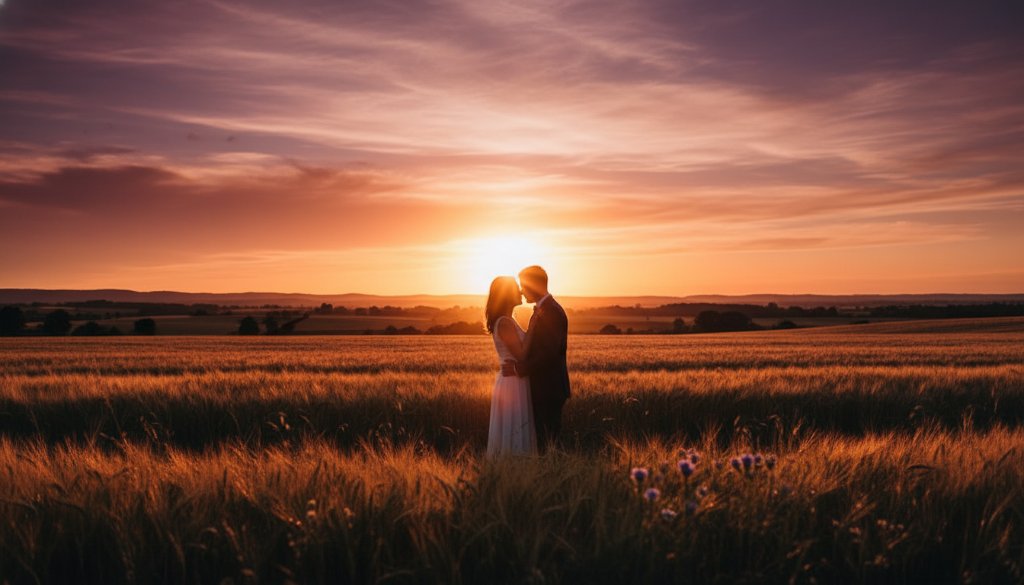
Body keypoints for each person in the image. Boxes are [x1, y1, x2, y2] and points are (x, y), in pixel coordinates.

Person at [501, 265, 570, 453]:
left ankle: (553, 478)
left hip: (549, 388)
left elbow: (549, 353)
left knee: (548, 443)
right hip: (545, 387)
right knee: (545, 443)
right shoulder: (544, 309)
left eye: (524, 285)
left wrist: (518, 369)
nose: (522, 291)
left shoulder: (552, 312)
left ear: (535, 285)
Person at [485, 276, 537, 457]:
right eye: (516, 288)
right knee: (514, 427)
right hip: (512, 384)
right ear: (506, 295)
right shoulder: (505, 323)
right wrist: (533, 325)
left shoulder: (507, 320)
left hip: (514, 380)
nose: (521, 291)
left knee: (515, 428)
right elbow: (521, 354)